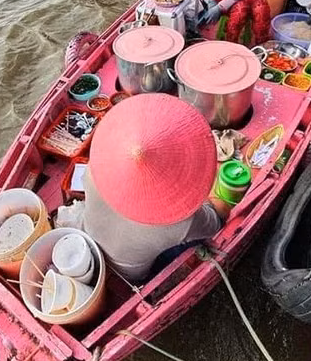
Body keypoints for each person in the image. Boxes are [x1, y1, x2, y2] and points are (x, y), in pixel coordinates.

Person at [83, 93, 222, 282]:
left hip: (89, 244)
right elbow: (214, 225)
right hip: (132, 274)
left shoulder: (93, 171)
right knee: (196, 239)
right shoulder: (178, 221)